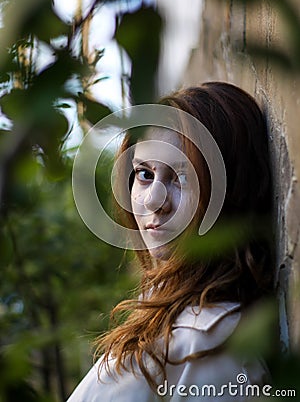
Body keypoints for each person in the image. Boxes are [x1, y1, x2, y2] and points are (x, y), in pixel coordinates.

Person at [67, 82, 274, 401]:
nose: (153, 200)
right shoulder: (175, 314)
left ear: (231, 192)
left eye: (183, 177)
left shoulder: (209, 343)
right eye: (145, 174)